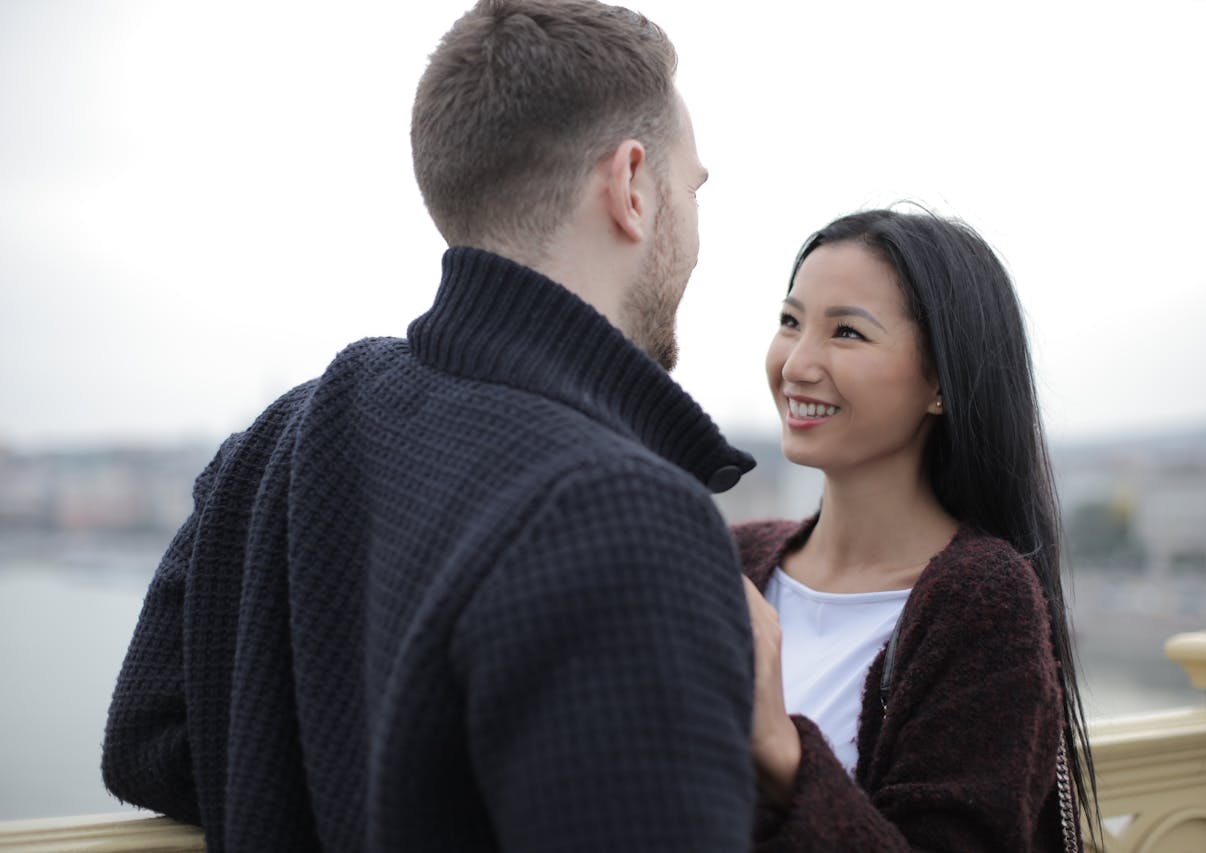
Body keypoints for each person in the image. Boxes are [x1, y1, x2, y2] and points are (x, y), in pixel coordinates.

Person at [100, 2, 758, 850]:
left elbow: (149, 744)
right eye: (692, 186)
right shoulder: (622, 513)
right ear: (632, 184)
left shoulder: (282, 437)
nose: (697, 232)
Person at [735, 209, 1099, 851]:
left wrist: (781, 754)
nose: (796, 364)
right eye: (791, 322)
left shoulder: (984, 605)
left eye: (846, 331)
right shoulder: (735, 558)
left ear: (940, 382)